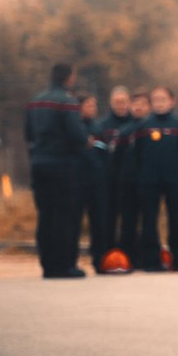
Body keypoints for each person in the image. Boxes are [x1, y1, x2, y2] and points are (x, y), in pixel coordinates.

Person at [24, 62, 91, 279]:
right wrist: (85, 141)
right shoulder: (68, 102)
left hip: (38, 164)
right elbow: (76, 135)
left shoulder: (34, 101)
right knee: (65, 216)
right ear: (69, 78)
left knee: (45, 215)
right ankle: (65, 265)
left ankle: (48, 264)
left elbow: (28, 134)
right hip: (62, 166)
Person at [134, 86, 178, 272]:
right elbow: (137, 154)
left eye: (162, 99)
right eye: (155, 99)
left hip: (176, 180)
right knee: (149, 220)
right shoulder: (143, 126)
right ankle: (151, 261)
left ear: (171, 101)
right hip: (149, 180)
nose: (159, 103)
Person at [95, 86, 136, 268]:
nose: (121, 106)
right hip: (109, 180)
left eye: (124, 102)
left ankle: (130, 256)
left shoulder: (137, 125)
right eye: (117, 102)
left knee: (130, 220)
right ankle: (107, 256)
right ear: (111, 104)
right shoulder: (102, 126)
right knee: (108, 220)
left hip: (130, 181)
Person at [114, 91, 151, 267]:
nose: (138, 107)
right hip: (127, 182)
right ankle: (128, 258)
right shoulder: (124, 131)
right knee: (128, 222)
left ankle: (147, 257)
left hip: (150, 182)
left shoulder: (153, 129)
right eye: (135, 104)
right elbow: (116, 159)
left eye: (143, 104)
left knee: (148, 222)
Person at [76, 92, 112, 272]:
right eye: (88, 105)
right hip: (79, 181)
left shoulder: (99, 127)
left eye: (94, 105)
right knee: (75, 223)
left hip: (98, 182)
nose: (92, 109)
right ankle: (72, 260)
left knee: (99, 222)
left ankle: (100, 260)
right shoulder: (74, 127)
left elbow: (105, 154)